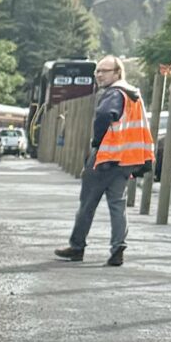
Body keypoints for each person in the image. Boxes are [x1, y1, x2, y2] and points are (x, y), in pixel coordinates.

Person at [55, 55, 152, 266]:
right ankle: (118, 248)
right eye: (97, 71)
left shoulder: (114, 93)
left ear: (117, 73)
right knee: (118, 205)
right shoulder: (134, 96)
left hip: (105, 157)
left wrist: (97, 142)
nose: (99, 75)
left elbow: (104, 114)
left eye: (104, 71)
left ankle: (77, 247)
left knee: (87, 203)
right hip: (126, 159)